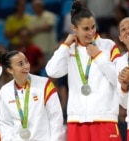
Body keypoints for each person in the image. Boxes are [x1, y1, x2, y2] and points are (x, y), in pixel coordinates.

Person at [45, 1, 123, 141]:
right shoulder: (69, 50)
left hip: (104, 117)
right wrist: (65, 45)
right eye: (86, 29)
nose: (91, 32)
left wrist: (99, 56)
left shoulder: (108, 46)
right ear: (74, 28)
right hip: (77, 120)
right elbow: (52, 71)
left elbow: (117, 78)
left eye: (93, 27)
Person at [0, 50, 65, 141]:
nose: (26, 66)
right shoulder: (5, 91)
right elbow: (6, 123)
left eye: (26, 61)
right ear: (10, 70)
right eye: (20, 64)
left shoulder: (44, 84)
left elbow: (55, 116)